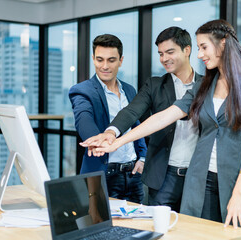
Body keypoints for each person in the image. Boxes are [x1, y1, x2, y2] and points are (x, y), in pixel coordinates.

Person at [84, 19, 241, 230]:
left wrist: (238, 193)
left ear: (223, 43)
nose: (200, 55)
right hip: (197, 179)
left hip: (231, 179)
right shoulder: (205, 85)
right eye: (199, 48)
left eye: (204, 47)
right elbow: (163, 116)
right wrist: (116, 140)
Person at [81, 27, 202, 212]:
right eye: (161, 54)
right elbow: (131, 112)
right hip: (164, 176)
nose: (164, 59)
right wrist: (110, 132)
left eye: (170, 52)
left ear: (187, 50)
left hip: (198, 174)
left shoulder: (207, 85)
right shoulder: (154, 85)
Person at [69, 34, 147, 203]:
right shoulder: (83, 90)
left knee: (137, 226)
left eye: (111, 60)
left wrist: (142, 157)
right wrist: (97, 141)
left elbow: (135, 125)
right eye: (99, 60)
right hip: (103, 174)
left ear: (121, 60)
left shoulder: (129, 90)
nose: (104, 66)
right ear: (93, 59)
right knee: (99, 226)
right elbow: (84, 119)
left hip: (133, 174)